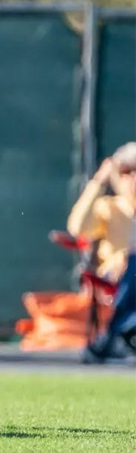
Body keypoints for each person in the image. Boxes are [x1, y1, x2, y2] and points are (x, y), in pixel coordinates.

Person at [69, 142, 136, 363]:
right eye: (125, 171)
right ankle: (121, 333)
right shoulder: (109, 207)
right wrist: (98, 182)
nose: (131, 178)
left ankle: (113, 337)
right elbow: (77, 227)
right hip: (112, 276)